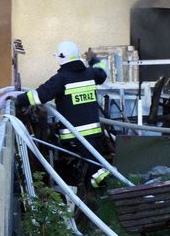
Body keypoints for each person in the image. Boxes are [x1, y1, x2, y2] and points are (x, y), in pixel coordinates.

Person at [14, 41, 110, 188]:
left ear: (60, 58)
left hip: (72, 136)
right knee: (94, 163)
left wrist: (17, 100)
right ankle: (98, 191)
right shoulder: (91, 73)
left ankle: (101, 189)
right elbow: (102, 73)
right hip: (94, 133)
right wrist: (94, 60)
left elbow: (39, 96)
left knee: (93, 168)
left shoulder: (61, 79)